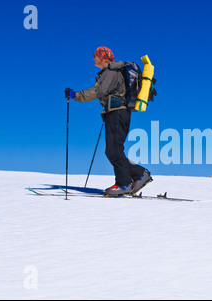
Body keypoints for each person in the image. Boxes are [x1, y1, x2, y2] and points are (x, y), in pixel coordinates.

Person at [65, 46, 152, 196]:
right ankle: (139, 174)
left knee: (114, 150)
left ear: (103, 57)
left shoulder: (110, 72)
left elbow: (98, 91)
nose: (93, 58)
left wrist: (75, 95)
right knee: (114, 150)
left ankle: (124, 184)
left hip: (117, 113)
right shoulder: (113, 71)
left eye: (95, 56)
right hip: (117, 113)